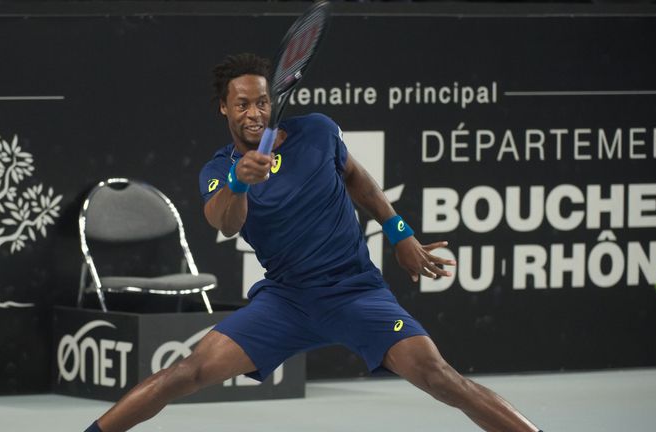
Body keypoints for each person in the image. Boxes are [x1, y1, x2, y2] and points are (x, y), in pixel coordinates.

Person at [84, 53, 542, 432]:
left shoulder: (319, 131)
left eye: (262, 102)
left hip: (357, 293)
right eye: (242, 104)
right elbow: (224, 222)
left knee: (442, 379)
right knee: (184, 374)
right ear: (223, 108)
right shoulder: (219, 170)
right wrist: (241, 182)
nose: (254, 114)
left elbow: (358, 179)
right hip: (286, 302)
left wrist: (400, 233)